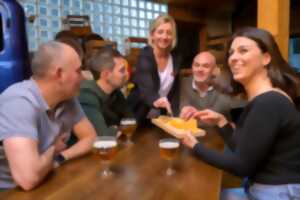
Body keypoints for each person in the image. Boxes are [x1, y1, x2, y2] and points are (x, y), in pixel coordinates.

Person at [180, 27, 300, 199]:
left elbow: (241, 166)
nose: (233, 58)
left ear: (266, 58)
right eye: (231, 53)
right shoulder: (266, 99)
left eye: (243, 50)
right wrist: (221, 122)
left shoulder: (269, 102)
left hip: (277, 192)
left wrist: (195, 146)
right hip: (264, 187)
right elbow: (244, 151)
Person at [0, 41, 97, 191]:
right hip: (10, 192)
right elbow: (28, 179)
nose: (83, 77)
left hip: (46, 179)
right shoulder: (19, 102)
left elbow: (90, 138)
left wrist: (60, 157)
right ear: (59, 74)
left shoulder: (67, 98)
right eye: (78, 71)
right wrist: (53, 149)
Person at [128, 14, 181, 125]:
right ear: (152, 35)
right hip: (139, 113)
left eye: (169, 33)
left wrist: (175, 115)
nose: (165, 37)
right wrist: (156, 100)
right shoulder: (145, 55)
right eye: (160, 32)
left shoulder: (176, 58)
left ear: (173, 37)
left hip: (162, 116)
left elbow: (175, 91)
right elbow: (147, 86)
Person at [78, 48, 132, 136]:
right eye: (122, 70)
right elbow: (103, 136)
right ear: (105, 75)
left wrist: (116, 129)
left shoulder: (116, 92)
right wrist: (116, 129)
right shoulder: (86, 95)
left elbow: (131, 122)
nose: (127, 74)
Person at [180, 51, 245, 121]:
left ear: (214, 70)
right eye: (196, 65)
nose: (200, 69)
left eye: (206, 66)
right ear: (192, 67)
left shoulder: (223, 89)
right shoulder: (182, 84)